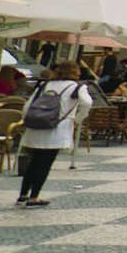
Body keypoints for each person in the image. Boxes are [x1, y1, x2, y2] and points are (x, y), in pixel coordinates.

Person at [16, 60, 92, 207]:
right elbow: (87, 102)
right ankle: (34, 197)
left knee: (34, 161)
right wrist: (77, 119)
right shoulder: (77, 87)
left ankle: (23, 194)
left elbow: (27, 106)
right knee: (45, 163)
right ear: (76, 72)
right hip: (57, 129)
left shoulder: (45, 85)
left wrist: (29, 120)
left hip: (36, 127)